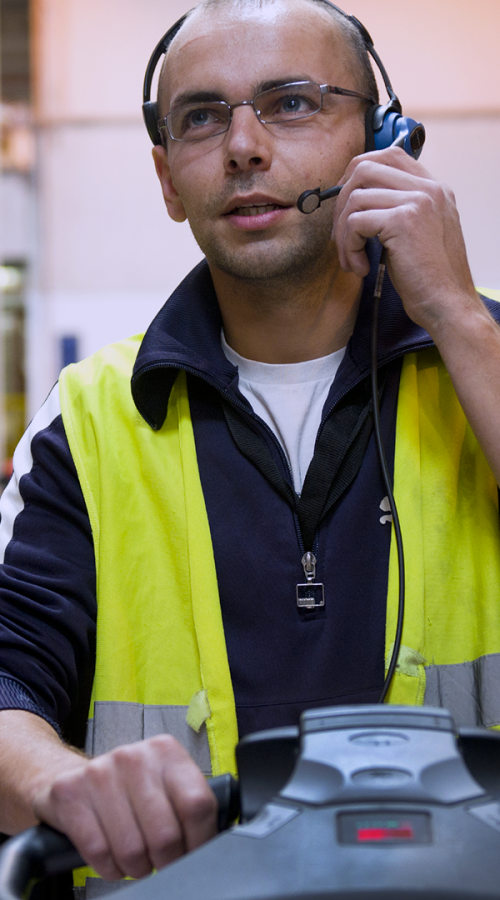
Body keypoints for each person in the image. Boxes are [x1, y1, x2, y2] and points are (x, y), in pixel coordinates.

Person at [1, 0, 500, 889]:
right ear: (167, 179)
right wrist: (60, 782)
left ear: (384, 142)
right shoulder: (86, 418)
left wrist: (458, 315)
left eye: (293, 103)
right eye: (201, 117)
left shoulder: (484, 357)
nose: (243, 147)